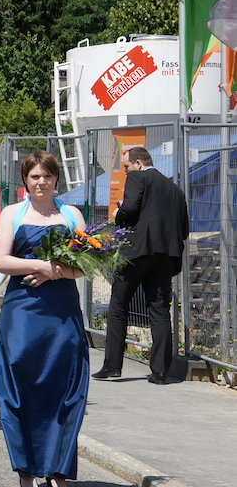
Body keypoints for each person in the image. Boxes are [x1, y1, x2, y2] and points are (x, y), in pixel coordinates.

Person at [0, 150, 89, 487]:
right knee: (21, 386)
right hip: (23, 312)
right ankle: (27, 471)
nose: (41, 182)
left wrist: (55, 270)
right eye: (34, 176)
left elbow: (87, 263)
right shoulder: (11, 214)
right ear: (25, 181)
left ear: (56, 179)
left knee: (64, 387)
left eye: (47, 176)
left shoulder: (71, 214)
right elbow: (0, 260)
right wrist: (44, 266)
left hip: (61, 313)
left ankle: (58, 470)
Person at [98, 146, 189, 385]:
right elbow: (184, 229)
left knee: (118, 304)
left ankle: (112, 366)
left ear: (138, 163)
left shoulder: (138, 177)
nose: (125, 172)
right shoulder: (176, 190)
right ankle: (160, 372)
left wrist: (119, 213)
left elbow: (130, 208)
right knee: (159, 310)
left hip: (137, 252)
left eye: (126, 166)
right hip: (166, 256)